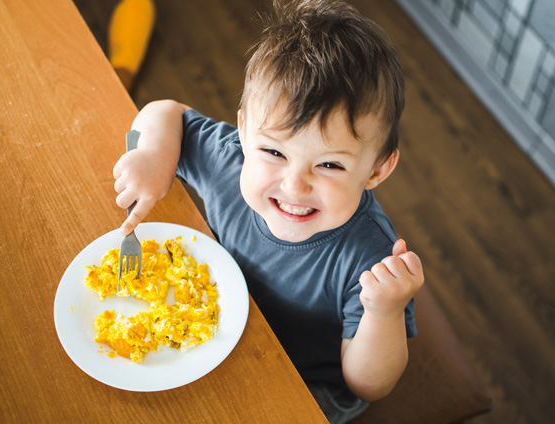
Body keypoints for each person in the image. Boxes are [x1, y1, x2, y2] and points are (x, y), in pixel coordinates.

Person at [112, 0, 424, 422]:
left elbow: (367, 384)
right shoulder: (229, 161)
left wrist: (383, 311)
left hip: (306, 381)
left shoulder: (370, 260)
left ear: (377, 170)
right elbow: (165, 112)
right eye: (274, 152)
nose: (295, 185)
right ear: (243, 131)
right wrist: (151, 154)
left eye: (330, 164)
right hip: (217, 328)